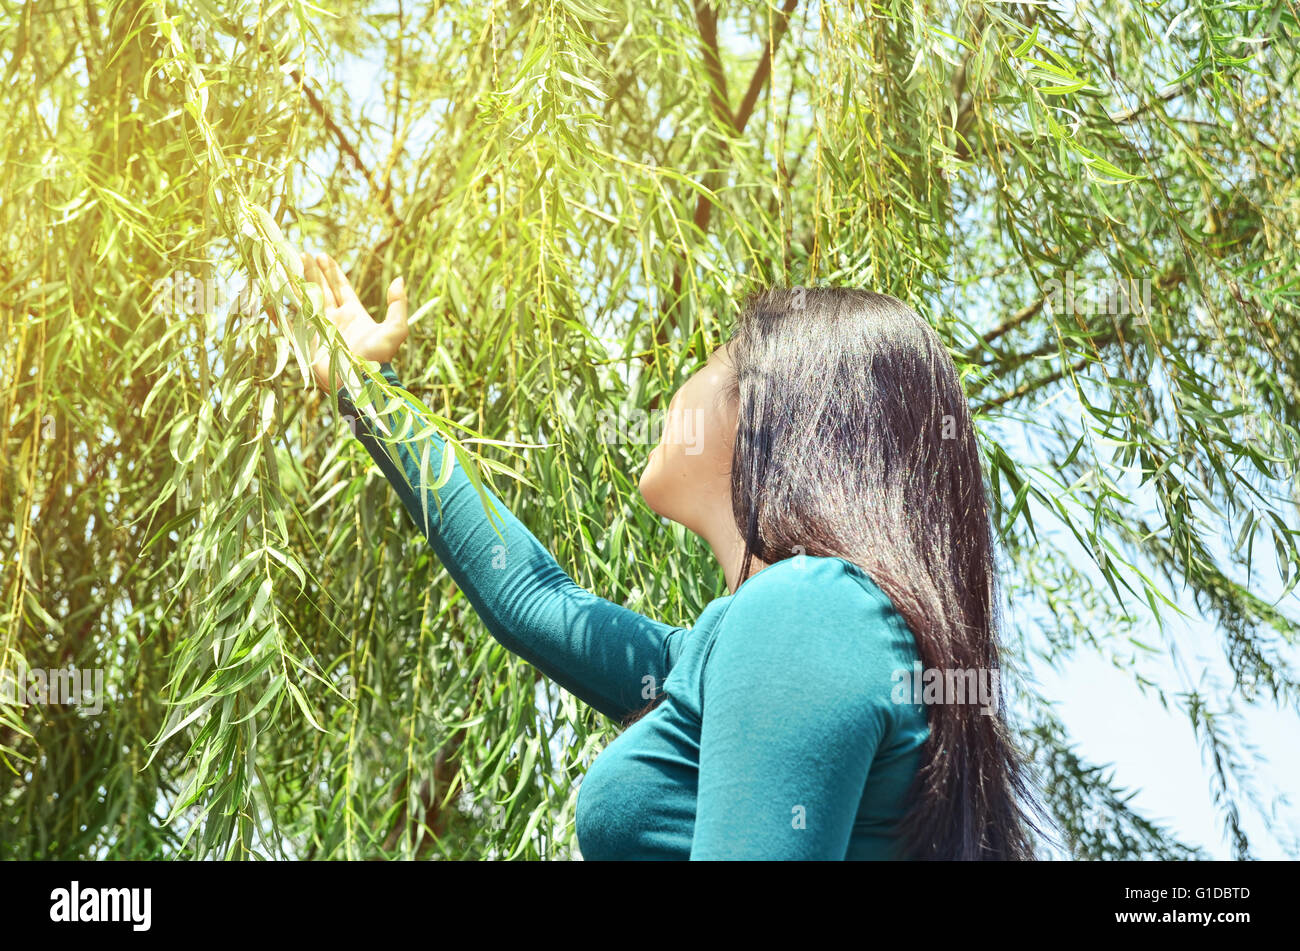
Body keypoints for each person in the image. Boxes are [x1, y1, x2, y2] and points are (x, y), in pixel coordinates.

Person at [287, 250, 1044, 859]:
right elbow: (533, 598)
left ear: (770, 411)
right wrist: (366, 390)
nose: (673, 391)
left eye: (714, 357)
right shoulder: (774, 629)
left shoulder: (810, 611)